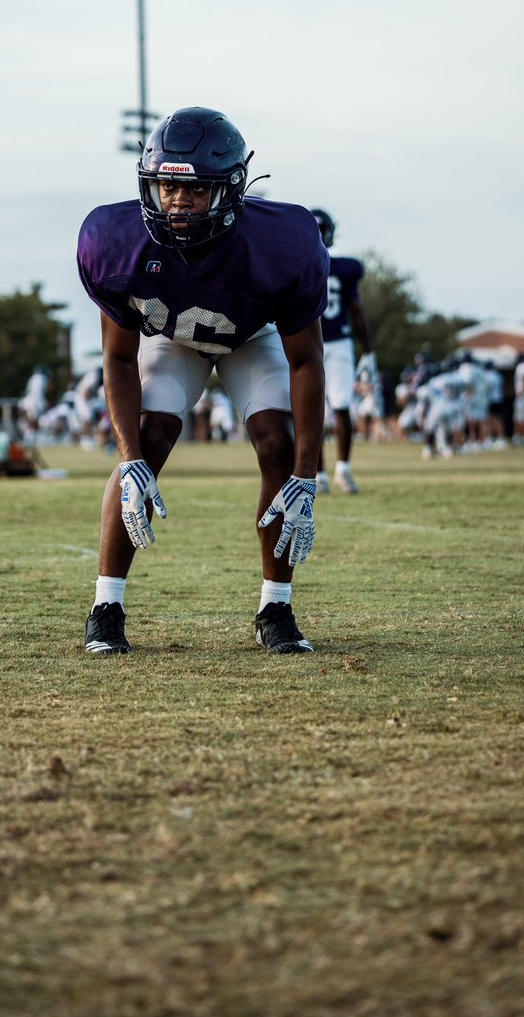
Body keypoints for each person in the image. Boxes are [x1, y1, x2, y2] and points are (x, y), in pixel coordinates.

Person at [76, 106, 329, 655]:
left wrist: (307, 475)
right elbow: (119, 358)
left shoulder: (284, 243)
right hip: (171, 339)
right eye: (167, 187)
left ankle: (276, 606)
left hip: (250, 338)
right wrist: (129, 457)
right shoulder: (117, 241)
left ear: (231, 190)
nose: (178, 201)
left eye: (194, 191)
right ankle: (106, 605)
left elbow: (307, 361)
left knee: (277, 443)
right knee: (148, 441)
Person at [310, 209, 374, 494]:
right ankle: (340, 470)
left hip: (312, 343)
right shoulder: (346, 268)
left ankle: (321, 474)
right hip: (336, 343)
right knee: (339, 408)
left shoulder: (296, 265)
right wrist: (369, 350)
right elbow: (357, 313)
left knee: (316, 412)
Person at [18, 365, 50, 444]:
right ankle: (30, 441)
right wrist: (41, 404)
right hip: (34, 402)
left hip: (26, 401)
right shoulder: (41, 379)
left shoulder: (32, 378)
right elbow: (37, 394)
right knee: (33, 422)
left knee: (29, 423)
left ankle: (29, 440)